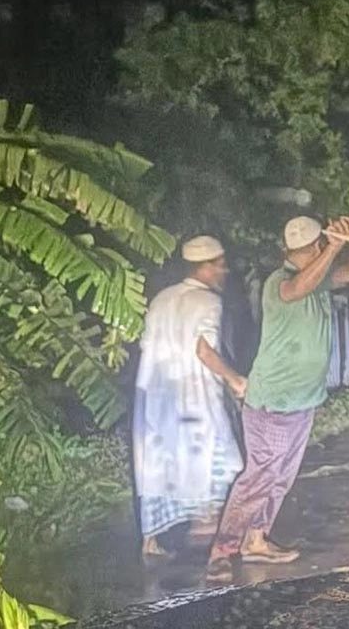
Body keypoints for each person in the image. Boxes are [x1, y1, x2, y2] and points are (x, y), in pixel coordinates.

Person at [206, 216, 349, 581]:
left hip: (302, 401)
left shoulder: (318, 279)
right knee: (259, 477)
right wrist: (335, 246)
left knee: (280, 477)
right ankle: (222, 551)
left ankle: (255, 540)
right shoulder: (279, 283)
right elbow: (298, 289)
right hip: (273, 403)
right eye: (320, 247)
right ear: (313, 248)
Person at [132, 236, 249, 561]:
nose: (224, 271)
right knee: (214, 459)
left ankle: (151, 541)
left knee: (159, 462)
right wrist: (235, 380)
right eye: (221, 265)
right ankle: (207, 532)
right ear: (208, 267)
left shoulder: (162, 299)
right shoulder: (208, 302)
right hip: (193, 395)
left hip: (154, 394)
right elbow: (203, 350)